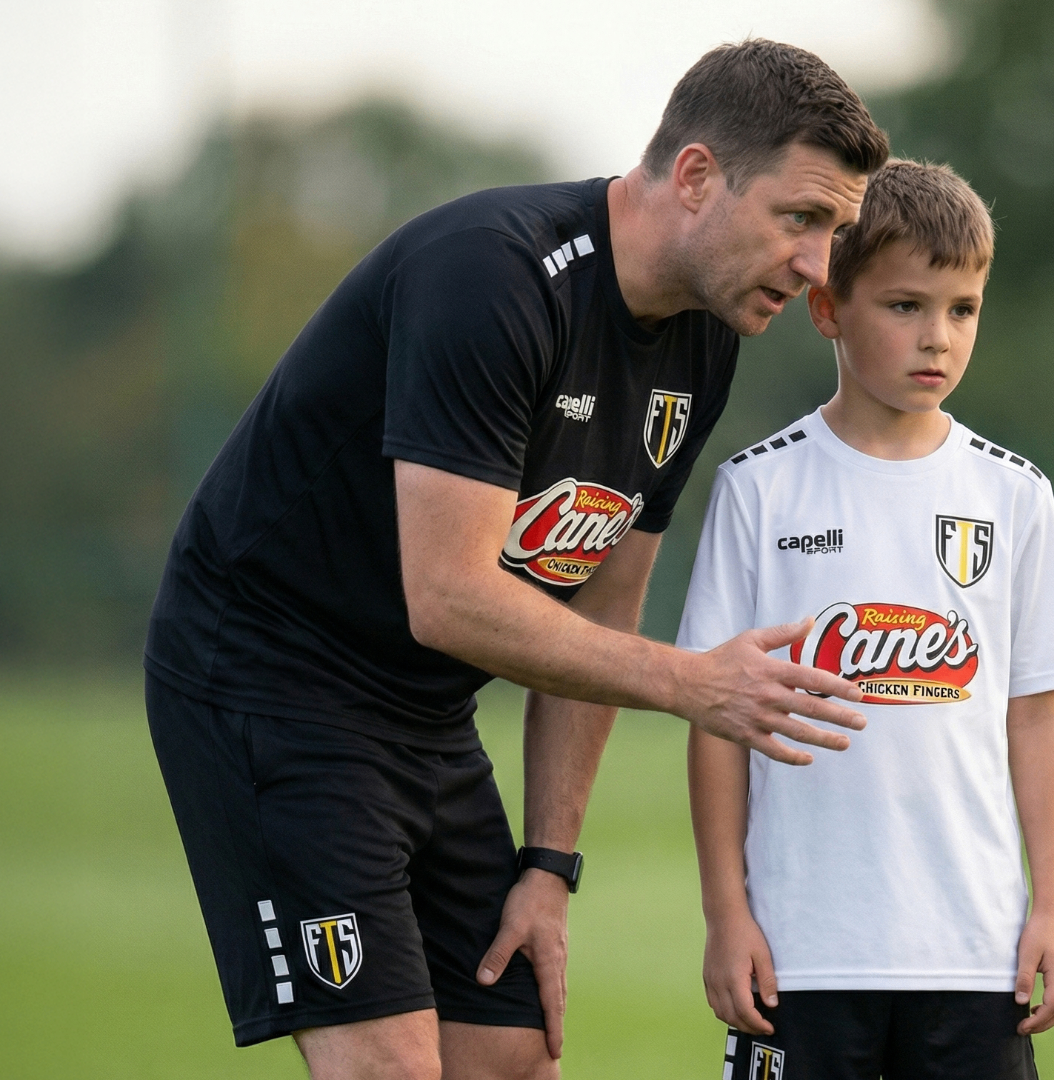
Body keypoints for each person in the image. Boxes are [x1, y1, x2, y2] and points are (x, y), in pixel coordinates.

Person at [142, 40, 889, 1080]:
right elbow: (449, 595)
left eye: (838, 232)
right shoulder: (492, 276)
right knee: (393, 1068)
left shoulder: (704, 339)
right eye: (801, 220)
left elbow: (603, 612)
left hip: (425, 713)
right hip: (271, 682)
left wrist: (548, 867)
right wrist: (696, 683)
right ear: (697, 177)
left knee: (511, 1055)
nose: (819, 267)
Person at [679, 160, 1054, 1080]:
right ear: (828, 308)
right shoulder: (759, 488)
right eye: (905, 306)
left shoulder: (1015, 495)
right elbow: (717, 725)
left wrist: (1052, 909)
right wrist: (727, 912)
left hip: (973, 953)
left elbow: (1036, 715)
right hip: (803, 952)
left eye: (963, 308)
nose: (937, 337)